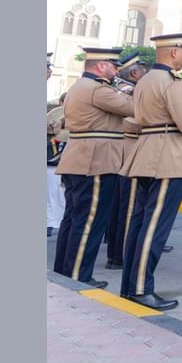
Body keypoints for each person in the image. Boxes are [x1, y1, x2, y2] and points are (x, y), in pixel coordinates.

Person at [118, 34, 182, 309]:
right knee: (155, 228)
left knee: (139, 225)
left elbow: (156, 114)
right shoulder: (173, 82)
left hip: (145, 153)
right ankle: (141, 289)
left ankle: (130, 287)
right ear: (174, 52)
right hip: (167, 158)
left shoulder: (146, 80)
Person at [54, 47, 131, 289]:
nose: (116, 70)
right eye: (113, 65)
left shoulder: (80, 86)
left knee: (74, 220)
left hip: (79, 159)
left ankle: (64, 272)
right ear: (101, 66)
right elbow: (134, 108)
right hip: (95, 162)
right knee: (89, 222)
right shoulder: (98, 89)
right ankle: (79, 276)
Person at [104, 50, 148, 270]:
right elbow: (138, 118)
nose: (146, 73)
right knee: (128, 206)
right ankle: (120, 254)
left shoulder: (120, 88)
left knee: (120, 206)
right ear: (134, 73)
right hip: (130, 150)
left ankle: (115, 254)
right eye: (143, 70)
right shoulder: (129, 90)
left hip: (123, 151)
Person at [46, 92, 66, 238]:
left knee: (61, 196)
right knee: (49, 196)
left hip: (65, 164)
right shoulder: (52, 117)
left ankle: (58, 223)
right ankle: (48, 223)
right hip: (50, 164)